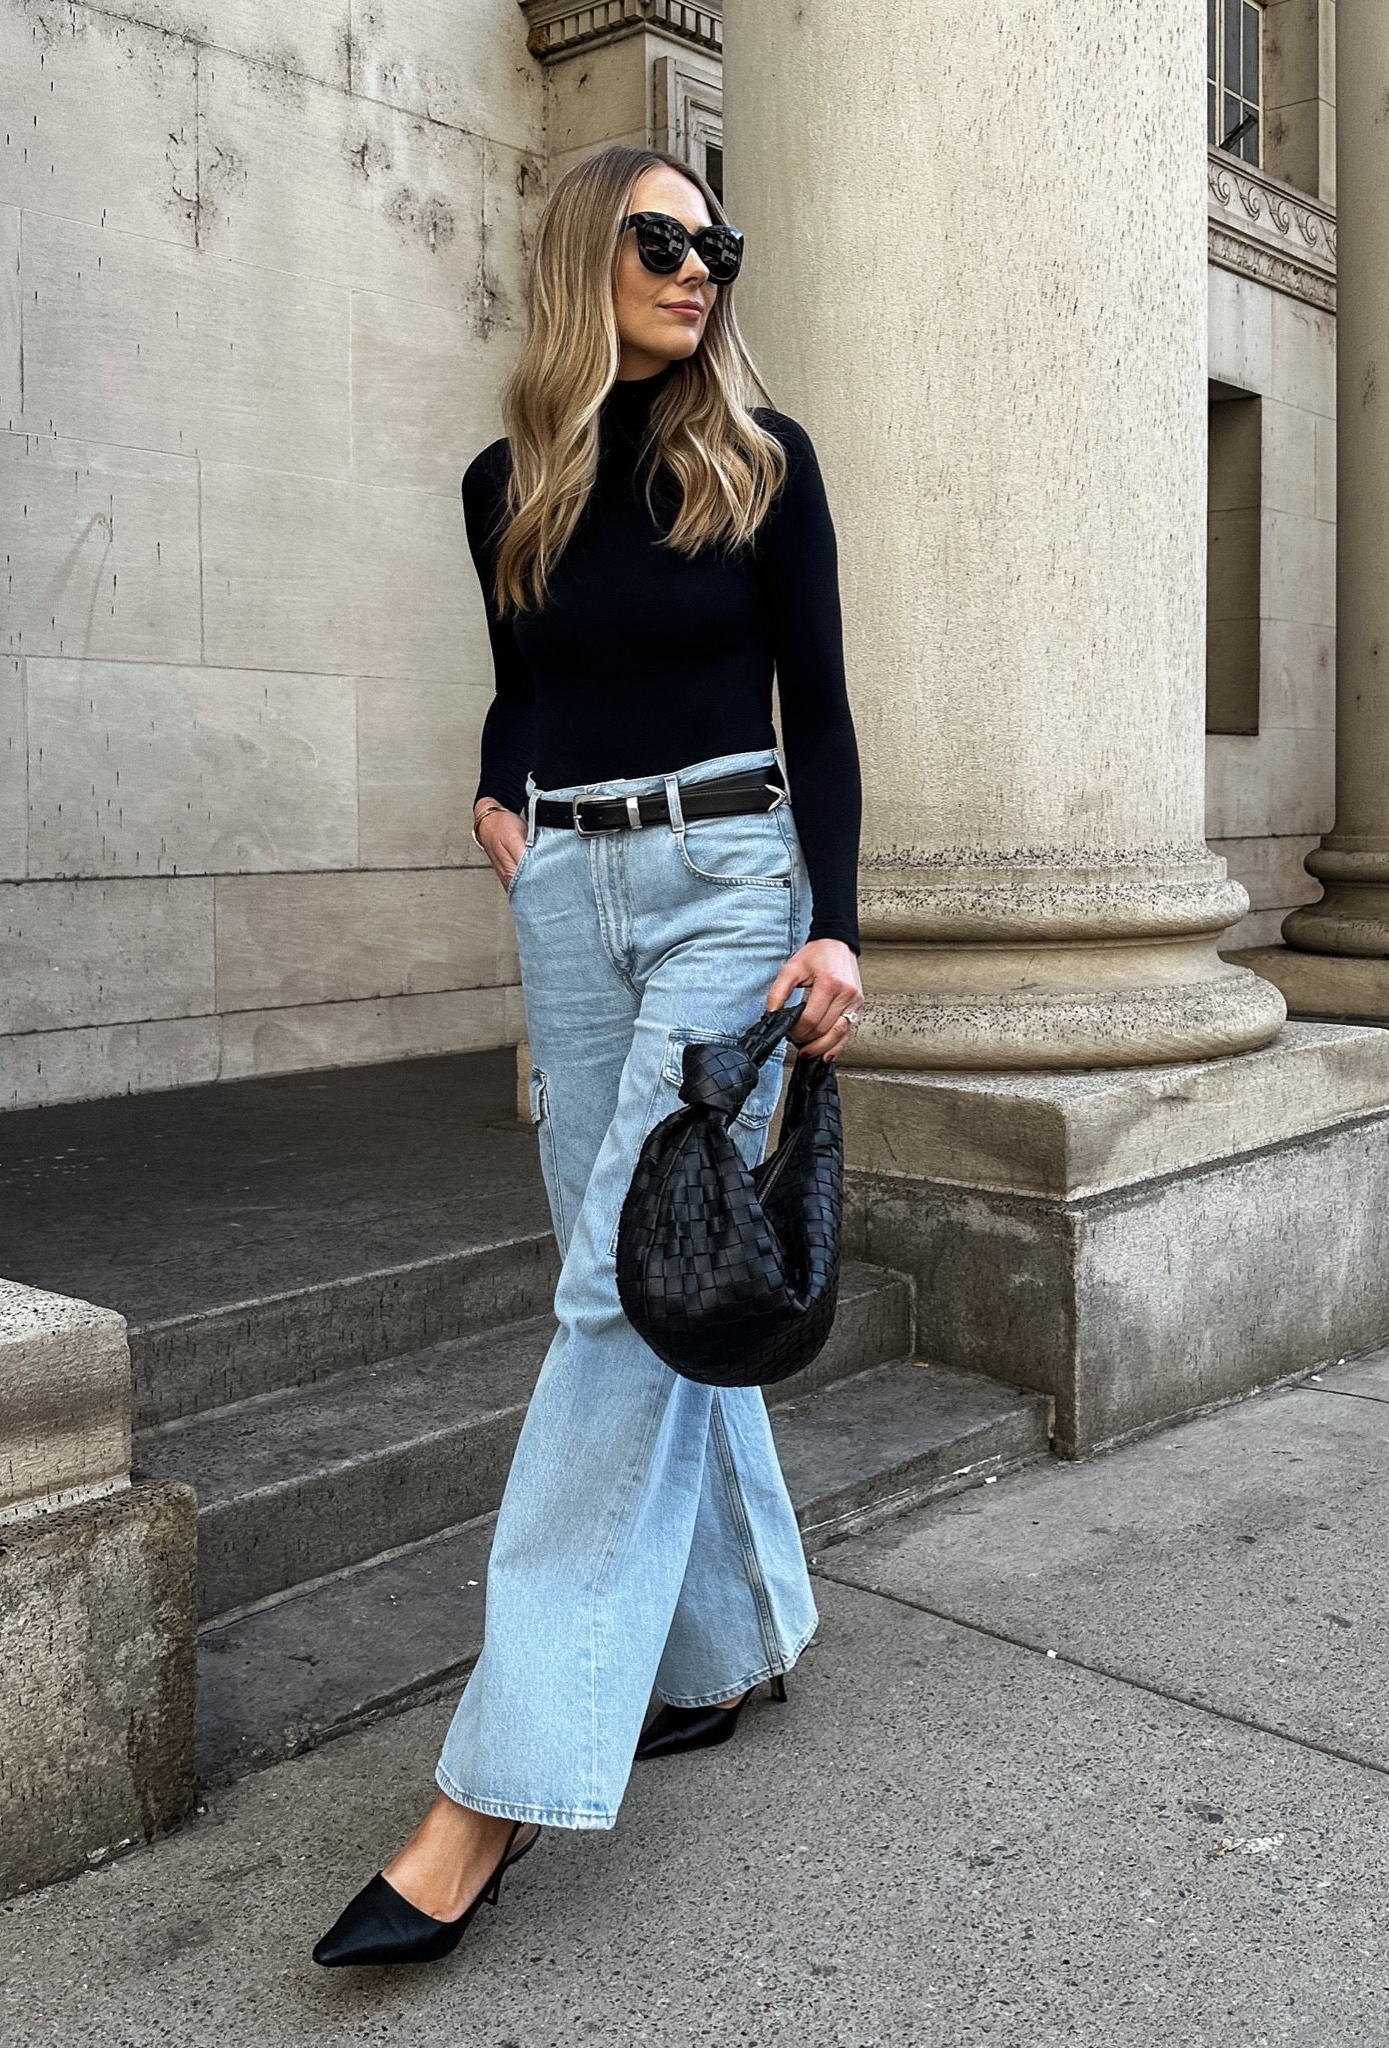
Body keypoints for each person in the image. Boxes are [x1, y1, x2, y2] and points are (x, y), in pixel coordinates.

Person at [313, 143, 864, 1969]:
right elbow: (523, 677)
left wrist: (831, 919)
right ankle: (722, 1644)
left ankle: (490, 1790)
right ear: (584, 258)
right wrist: (499, 794)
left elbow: (823, 718)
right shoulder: (508, 483)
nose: (699, 267)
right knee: (631, 1263)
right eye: (661, 240)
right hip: (565, 888)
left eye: (717, 242)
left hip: (723, 876)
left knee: (615, 1306)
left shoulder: (762, 471)